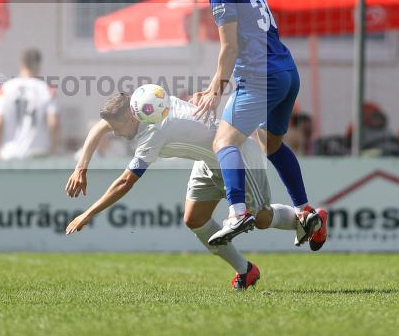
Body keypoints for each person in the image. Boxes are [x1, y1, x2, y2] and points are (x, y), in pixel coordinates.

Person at [65, 93, 321, 290]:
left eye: (117, 128)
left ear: (131, 118)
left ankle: (310, 219)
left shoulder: (152, 132)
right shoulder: (142, 102)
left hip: (237, 156)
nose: (115, 133)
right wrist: (81, 167)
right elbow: (101, 126)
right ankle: (246, 271)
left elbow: (125, 182)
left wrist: (88, 214)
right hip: (208, 161)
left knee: (262, 219)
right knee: (194, 218)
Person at [189, 0, 323, 246]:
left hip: (261, 77)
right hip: (286, 72)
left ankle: (238, 212)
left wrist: (216, 90)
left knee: (224, 142)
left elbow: (229, 47)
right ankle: (305, 211)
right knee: (270, 144)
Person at [0, 48, 59, 159]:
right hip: (37, 153)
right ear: (38, 66)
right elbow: (53, 124)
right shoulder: (46, 90)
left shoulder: (5, 88)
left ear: (21, 65)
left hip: (10, 153)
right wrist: (53, 149)